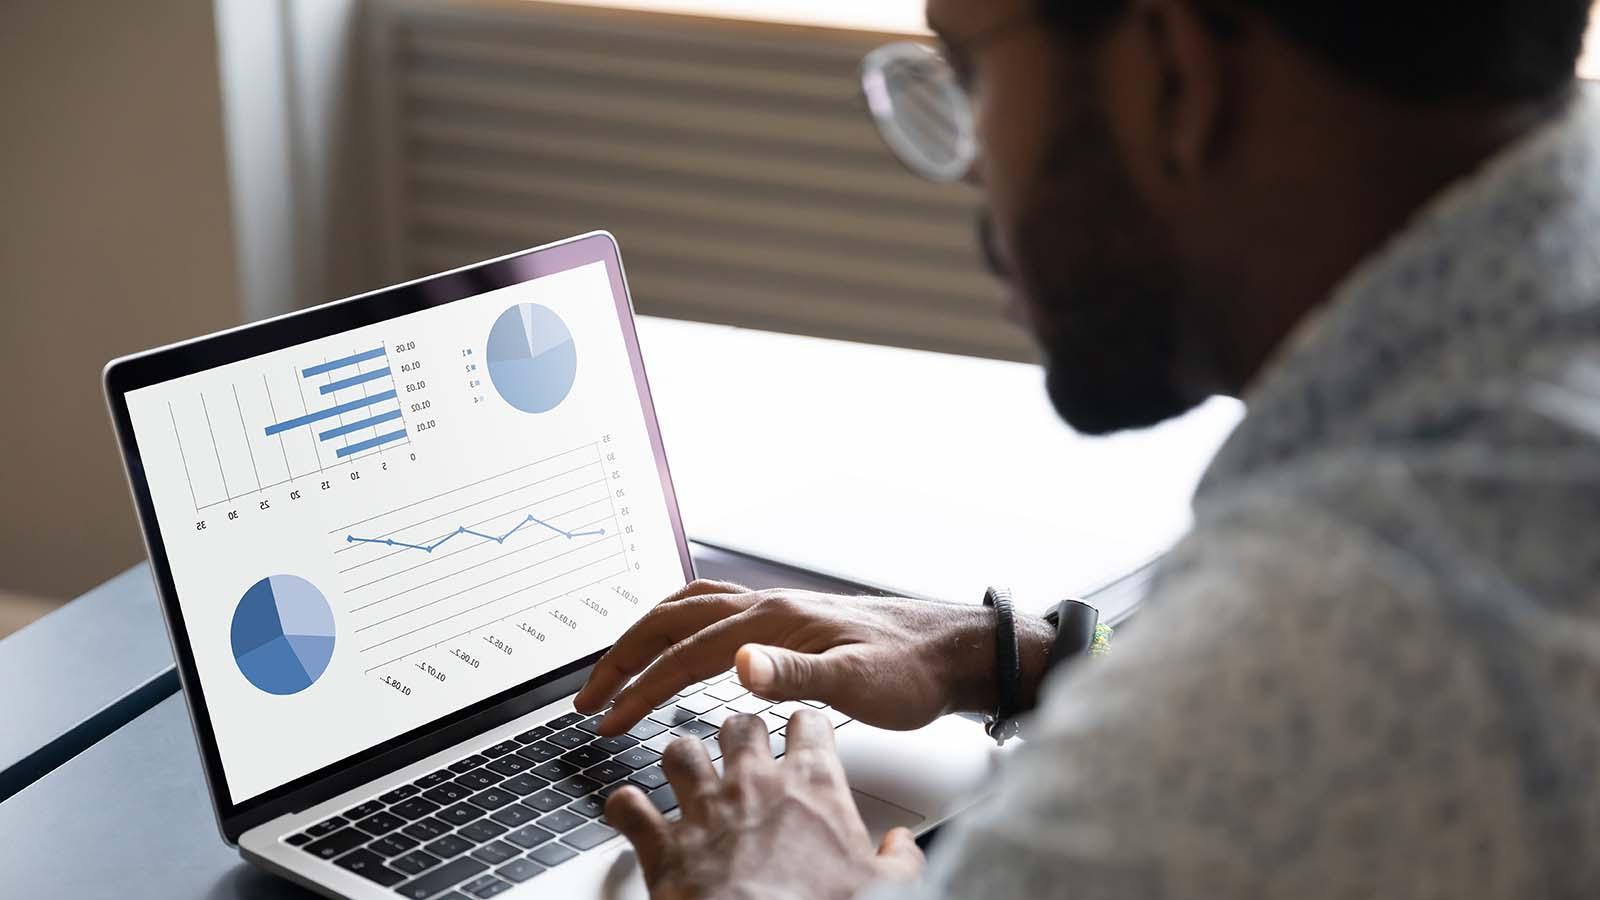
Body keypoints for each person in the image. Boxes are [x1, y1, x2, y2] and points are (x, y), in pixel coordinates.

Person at [575, 0, 1600, 896]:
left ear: (1172, 71)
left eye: (971, 72)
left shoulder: (1341, 630)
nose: (968, 164)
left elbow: (1294, 701)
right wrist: (1034, 660)